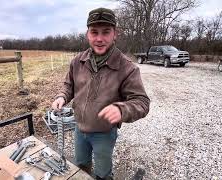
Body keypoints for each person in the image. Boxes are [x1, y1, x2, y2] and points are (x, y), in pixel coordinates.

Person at [51, 7, 150, 180]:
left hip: (104, 133)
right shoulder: (78, 61)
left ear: (115, 34)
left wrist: (122, 109)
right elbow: (69, 84)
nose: (99, 38)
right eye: (94, 32)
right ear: (87, 34)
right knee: (81, 167)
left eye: (106, 32)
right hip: (79, 128)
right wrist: (62, 96)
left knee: (102, 173)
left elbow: (142, 102)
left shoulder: (127, 67)